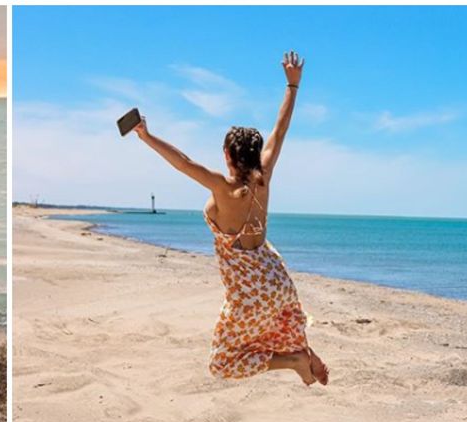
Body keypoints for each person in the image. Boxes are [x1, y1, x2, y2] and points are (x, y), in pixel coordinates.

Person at [134, 51, 329, 386]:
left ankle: (295, 359)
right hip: (278, 280)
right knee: (273, 325)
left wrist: (146, 136)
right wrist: (292, 86)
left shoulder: (224, 188)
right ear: (255, 155)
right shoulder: (263, 177)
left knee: (222, 364)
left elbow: (182, 161)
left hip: (248, 293)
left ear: (226, 155)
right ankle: (301, 353)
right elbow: (279, 131)